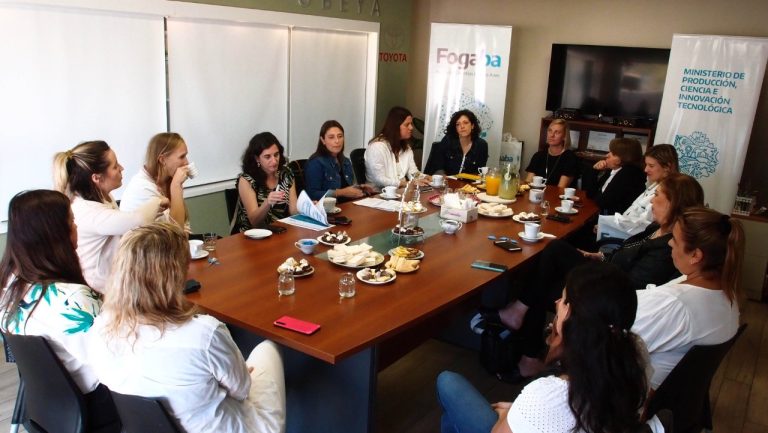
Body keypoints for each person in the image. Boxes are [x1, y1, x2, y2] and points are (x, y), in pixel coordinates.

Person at [481, 173, 704, 381]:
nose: (651, 201)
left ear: (674, 203)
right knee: (546, 263)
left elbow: (629, 285)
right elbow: (625, 253)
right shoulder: (658, 229)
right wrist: (597, 255)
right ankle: (526, 340)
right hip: (603, 272)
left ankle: (523, 332)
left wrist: (595, 268)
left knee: (548, 266)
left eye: (657, 196)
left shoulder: (667, 248)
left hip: (604, 294)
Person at [85, 222, 286, 433]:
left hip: (151, 427)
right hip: (223, 427)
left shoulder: (101, 327)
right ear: (175, 274)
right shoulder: (204, 333)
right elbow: (242, 390)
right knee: (269, 349)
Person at [438, 263, 663, 433]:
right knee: (451, 419)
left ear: (575, 319)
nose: (556, 303)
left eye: (564, 301)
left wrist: (508, 414)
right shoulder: (636, 355)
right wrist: (519, 410)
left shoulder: (550, 395)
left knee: (447, 382)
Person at [0, 190, 118, 430]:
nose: (76, 227)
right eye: (72, 221)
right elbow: (115, 362)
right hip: (97, 408)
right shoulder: (72, 299)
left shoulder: (7, 287)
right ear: (56, 234)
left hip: (50, 410)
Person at [633, 207, 743, 388]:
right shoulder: (727, 294)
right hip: (675, 395)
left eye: (675, 240)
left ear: (695, 255)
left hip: (635, 396)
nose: (669, 243)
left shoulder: (675, 305)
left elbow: (613, 345)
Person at [53, 141, 166, 291]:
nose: (121, 168)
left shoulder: (104, 197)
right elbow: (139, 219)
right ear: (96, 178)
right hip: (100, 294)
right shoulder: (89, 212)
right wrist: (159, 200)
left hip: (114, 285)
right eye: (115, 166)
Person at [597, 144, 679, 241]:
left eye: (651, 166)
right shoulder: (653, 184)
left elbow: (643, 225)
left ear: (667, 167)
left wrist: (610, 225)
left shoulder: (667, 193)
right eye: (646, 165)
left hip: (630, 239)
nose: (646, 169)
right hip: (623, 232)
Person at [120, 132, 192, 232]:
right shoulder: (142, 188)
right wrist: (176, 186)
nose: (187, 162)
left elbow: (185, 226)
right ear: (162, 160)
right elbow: (175, 233)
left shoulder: (168, 180)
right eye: (182, 157)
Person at [236, 132, 298, 231]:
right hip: (253, 236)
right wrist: (267, 203)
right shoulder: (247, 180)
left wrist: (306, 207)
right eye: (267, 157)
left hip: (281, 231)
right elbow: (254, 221)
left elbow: (293, 211)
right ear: (257, 159)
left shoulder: (286, 174)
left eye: (276, 155)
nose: (274, 161)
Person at [304, 120, 374, 201]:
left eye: (340, 136)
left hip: (347, 206)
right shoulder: (315, 162)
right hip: (328, 210)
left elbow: (347, 188)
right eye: (331, 137)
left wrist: (360, 188)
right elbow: (312, 194)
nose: (337, 141)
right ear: (323, 140)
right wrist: (340, 192)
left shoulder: (346, 161)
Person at [364, 106, 429, 188]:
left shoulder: (406, 147)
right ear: (395, 126)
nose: (411, 128)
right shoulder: (377, 147)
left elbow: (413, 173)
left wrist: (428, 178)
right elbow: (379, 179)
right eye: (407, 125)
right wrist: (406, 184)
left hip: (399, 193)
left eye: (411, 124)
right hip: (378, 195)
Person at [586, 137, 646, 216]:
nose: (607, 155)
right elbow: (590, 194)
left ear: (625, 158)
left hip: (615, 221)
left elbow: (603, 202)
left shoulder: (629, 174)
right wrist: (595, 170)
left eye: (613, 154)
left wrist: (596, 196)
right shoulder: (614, 169)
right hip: (603, 214)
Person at [423, 109, 489, 176]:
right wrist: (441, 176)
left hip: (468, 184)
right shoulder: (447, 140)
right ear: (455, 128)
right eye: (458, 124)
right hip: (447, 183)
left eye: (465, 123)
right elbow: (438, 166)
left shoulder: (482, 145)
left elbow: (480, 172)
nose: (462, 126)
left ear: (472, 126)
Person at [524, 119, 579, 187]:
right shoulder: (538, 156)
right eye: (550, 131)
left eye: (557, 132)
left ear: (564, 137)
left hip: (557, 196)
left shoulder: (570, 158)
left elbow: (560, 189)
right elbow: (528, 183)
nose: (552, 135)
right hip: (536, 195)